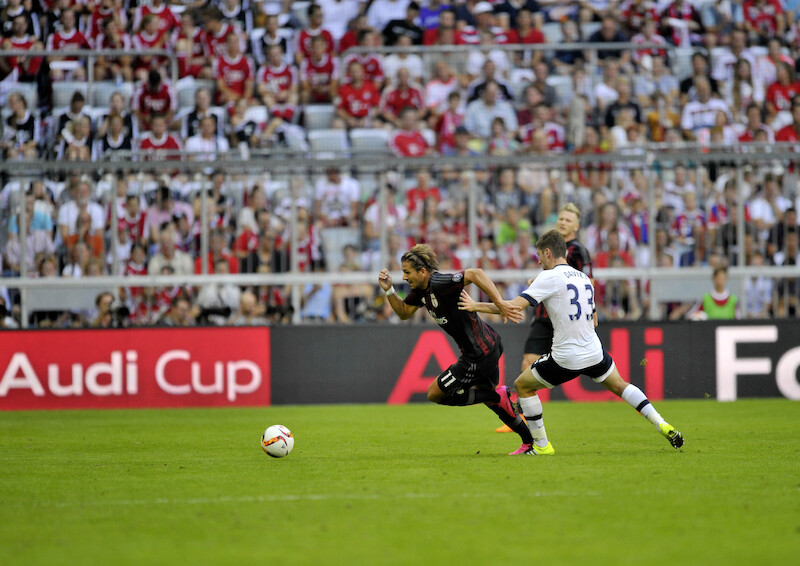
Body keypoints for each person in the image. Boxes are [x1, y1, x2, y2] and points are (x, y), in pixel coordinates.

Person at [460, 230, 685, 455]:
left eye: (539, 255)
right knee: (620, 385)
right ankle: (662, 423)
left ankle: (541, 446)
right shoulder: (584, 278)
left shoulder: (548, 277)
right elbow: (594, 319)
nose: (538, 261)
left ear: (548, 252)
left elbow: (513, 307)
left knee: (523, 386)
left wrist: (475, 306)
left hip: (566, 356)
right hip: (594, 351)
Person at [377, 243, 534, 455]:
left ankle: (497, 397)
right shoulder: (420, 291)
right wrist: (389, 290)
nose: (404, 277)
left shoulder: (439, 282)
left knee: (436, 393)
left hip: (478, 354)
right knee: (491, 400)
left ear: (423, 272)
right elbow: (404, 312)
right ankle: (529, 442)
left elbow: (475, 273)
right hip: (488, 346)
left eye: (407, 272)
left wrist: (500, 302)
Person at [495, 202, 594, 433]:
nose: (562, 222)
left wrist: (593, 312)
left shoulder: (578, 251)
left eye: (568, 220)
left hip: (566, 317)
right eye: (561, 218)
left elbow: (588, 283)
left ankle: (526, 416)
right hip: (543, 316)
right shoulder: (551, 247)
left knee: (592, 369)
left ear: (577, 226)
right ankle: (521, 418)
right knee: (526, 363)